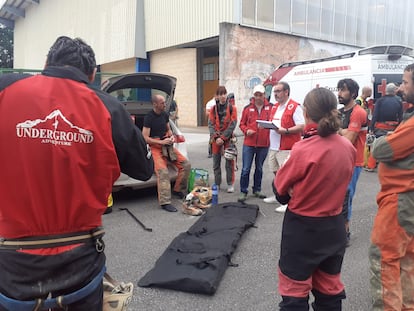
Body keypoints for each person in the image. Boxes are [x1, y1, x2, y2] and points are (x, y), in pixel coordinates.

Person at [0, 36, 153, 310]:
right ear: (92, 74)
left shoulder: (6, 90)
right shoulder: (109, 108)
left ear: (46, 64)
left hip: (11, 263)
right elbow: (144, 169)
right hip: (81, 265)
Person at [274, 88, 356, 310]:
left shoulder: (303, 149)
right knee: (329, 291)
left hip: (303, 231)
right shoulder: (347, 146)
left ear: (306, 112)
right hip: (334, 227)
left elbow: (280, 193)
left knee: (295, 293)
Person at [369, 63, 414, 310]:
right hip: (408, 201)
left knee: (384, 260)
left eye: (406, 82)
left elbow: (382, 150)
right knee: (407, 261)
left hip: (399, 200)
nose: (402, 87)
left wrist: (381, 138)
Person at [142, 94, 191, 212]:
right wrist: (161, 142)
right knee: (163, 172)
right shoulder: (149, 117)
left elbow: (168, 129)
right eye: (162, 103)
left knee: (186, 165)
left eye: (164, 102)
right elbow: (145, 138)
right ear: (155, 104)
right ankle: (165, 202)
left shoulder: (164, 114)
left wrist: (171, 136)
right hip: (155, 147)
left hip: (167, 146)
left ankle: (178, 189)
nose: (165, 104)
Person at [263, 81, 305, 213]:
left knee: (287, 175)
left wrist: (286, 130)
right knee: (277, 173)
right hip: (274, 147)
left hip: (286, 147)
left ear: (286, 92)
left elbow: (301, 126)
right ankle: (279, 194)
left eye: (278, 91)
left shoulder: (294, 106)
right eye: (274, 92)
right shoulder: (275, 107)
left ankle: (290, 201)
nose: (275, 94)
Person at [337, 78, 368, 245]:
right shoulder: (340, 111)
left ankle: (345, 232)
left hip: (353, 161)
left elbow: (349, 139)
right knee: (338, 196)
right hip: (340, 160)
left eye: (343, 90)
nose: (339, 93)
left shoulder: (358, 112)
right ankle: (338, 230)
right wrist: (342, 130)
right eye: (339, 89)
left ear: (353, 93)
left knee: (346, 197)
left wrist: (339, 130)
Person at [238, 84, 272, 202]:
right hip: (249, 143)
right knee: (246, 169)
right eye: (256, 95)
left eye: (260, 95)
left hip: (263, 144)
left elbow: (274, 123)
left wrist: (267, 128)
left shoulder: (271, 108)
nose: (258, 97)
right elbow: (242, 124)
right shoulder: (247, 108)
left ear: (264, 95)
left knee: (259, 168)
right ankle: (243, 191)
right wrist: (247, 130)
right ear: (254, 95)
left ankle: (257, 189)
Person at [365, 82, 403, 171]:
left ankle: (371, 166)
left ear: (386, 91)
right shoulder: (399, 101)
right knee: (392, 146)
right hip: (393, 127)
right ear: (394, 91)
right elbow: (400, 117)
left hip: (380, 127)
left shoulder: (380, 101)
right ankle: (392, 166)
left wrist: (371, 128)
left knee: (376, 146)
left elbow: (375, 115)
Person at [208, 85, 237, 192]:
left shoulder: (232, 108)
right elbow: (210, 124)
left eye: (224, 93)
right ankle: (217, 183)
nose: (223, 96)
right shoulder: (213, 109)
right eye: (220, 94)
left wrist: (223, 138)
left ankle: (230, 184)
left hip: (228, 139)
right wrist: (215, 137)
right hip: (216, 139)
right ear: (217, 96)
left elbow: (233, 124)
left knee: (229, 162)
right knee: (216, 163)